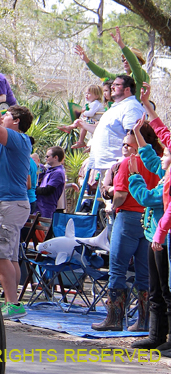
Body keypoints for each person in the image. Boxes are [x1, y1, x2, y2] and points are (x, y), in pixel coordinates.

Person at [93, 123, 160, 331]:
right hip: (148, 219)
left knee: (117, 269)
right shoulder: (157, 164)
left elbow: (121, 196)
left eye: (129, 136)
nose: (125, 142)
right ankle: (143, 321)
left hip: (128, 218)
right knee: (144, 272)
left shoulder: (128, 164)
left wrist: (112, 203)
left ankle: (114, 320)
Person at [0, 79, 34, 319]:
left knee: (0, 254)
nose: (3, 116)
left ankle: (12, 303)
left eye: (7, 115)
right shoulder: (14, 140)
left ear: (17, 122)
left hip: (7, 205)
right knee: (9, 256)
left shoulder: (17, 139)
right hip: (12, 204)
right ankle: (13, 302)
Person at [128, 110, 171, 351]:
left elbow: (146, 197)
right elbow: (150, 157)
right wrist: (137, 132)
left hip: (164, 240)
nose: (161, 156)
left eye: (165, 153)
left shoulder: (167, 184)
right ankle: (156, 336)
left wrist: (135, 177)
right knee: (155, 289)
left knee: (166, 289)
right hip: (154, 238)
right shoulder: (165, 174)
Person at [78, 75, 146, 195]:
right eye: (112, 85)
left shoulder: (131, 107)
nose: (112, 87)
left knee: (117, 207)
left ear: (127, 89)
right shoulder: (116, 107)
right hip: (107, 166)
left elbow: (133, 134)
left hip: (118, 166)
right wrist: (82, 124)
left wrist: (125, 162)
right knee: (108, 207)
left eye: (116, 85)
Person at [73, 26, 149, 97]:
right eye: (123, 60)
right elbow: (104, 75)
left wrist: (121, 44)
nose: (125, 62)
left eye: (128, 59)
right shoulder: (122, 77)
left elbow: (135, 65)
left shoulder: (140, 74)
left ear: (139, 62)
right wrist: (87, 60)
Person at [64, 84, 106, 149]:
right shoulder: (91, 104)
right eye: (86, 93)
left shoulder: (96, 103)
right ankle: (80, 140)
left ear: (97, 95)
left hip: (97, 121)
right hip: (93, 120)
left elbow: (91, 113)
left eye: (89, 93)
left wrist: (83, 112)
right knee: (81, 122)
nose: (86, 95)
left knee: (81, 122)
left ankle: (72, 129)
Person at [34, 147, 67, 220]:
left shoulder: (58, 173)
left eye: (47, 156)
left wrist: (33, 188)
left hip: (46, 208)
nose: (46, 158)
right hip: (39, 206)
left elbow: (48, 190)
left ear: (55, 157)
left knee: (43, 229)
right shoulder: (49, 170)